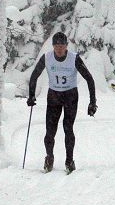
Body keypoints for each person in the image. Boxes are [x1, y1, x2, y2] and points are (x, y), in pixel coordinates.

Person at [27, 32, 97, 173]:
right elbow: (34, 76)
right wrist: (31, 96)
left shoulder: (74, 58)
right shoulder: (47, 58)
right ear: (53, 46)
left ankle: (69, 160)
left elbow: (89, 78)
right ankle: (49, 157)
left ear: (66, 46)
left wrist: (92, 102)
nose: (59, 49)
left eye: (62, 45)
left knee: (68, 128)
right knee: (50, 130)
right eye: (56, 46)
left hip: (70, 96)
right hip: (54, 96)